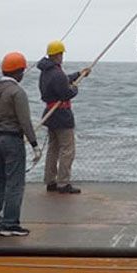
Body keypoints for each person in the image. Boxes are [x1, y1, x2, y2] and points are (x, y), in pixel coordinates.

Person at [0, 52, 41, 236]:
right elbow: (24, 121)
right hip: (12, 140)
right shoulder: (17, 92)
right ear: (18, 72)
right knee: (15, 182)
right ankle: (9, 224)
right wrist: (34, 144)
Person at [37, 40, 89, 194]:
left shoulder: (46, 72)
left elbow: (64, 79)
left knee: (53, 149)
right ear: (57, 55)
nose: (62, 57)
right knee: (67, 149)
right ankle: (63, 183)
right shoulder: (56, 73)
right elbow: (66, 93)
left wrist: (79, 74)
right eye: (61, 54)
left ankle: (50, 180)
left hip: (50, 113)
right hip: (61, 114)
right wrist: (75, 88)